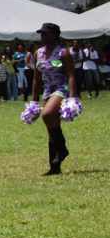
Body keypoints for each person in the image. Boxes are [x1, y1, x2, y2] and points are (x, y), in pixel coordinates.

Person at [25, 23, 79, 176]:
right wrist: (34, 101)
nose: (43, 36)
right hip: (48, 90)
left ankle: (62, 149)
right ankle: (55, 166)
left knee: (47, 114)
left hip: (62, 88)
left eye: (46, 33)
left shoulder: (63, 53)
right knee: (51, 125)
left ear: (55, 35)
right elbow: (36, 79)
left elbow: (71, 75)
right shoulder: (38, 53)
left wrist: (72, 98)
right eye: (41, 33)